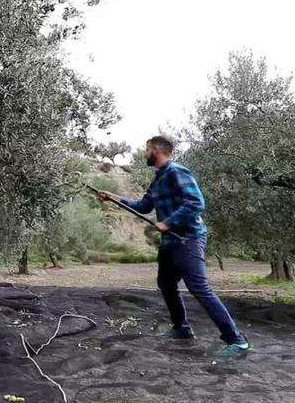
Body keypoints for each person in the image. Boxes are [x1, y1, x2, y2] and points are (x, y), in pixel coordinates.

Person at [96, 135, 251, 356]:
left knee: (200, 289)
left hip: (188, 240)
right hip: (170, 243)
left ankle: (236, 340)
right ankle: (182, 328)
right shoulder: (159, 179)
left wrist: (168, 223)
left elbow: (196, 203)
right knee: (166, 284)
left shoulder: (176, 171)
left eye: (146, 149)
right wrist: (114, 197)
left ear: (157, 150)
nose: (144, 153)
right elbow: (143, 206)